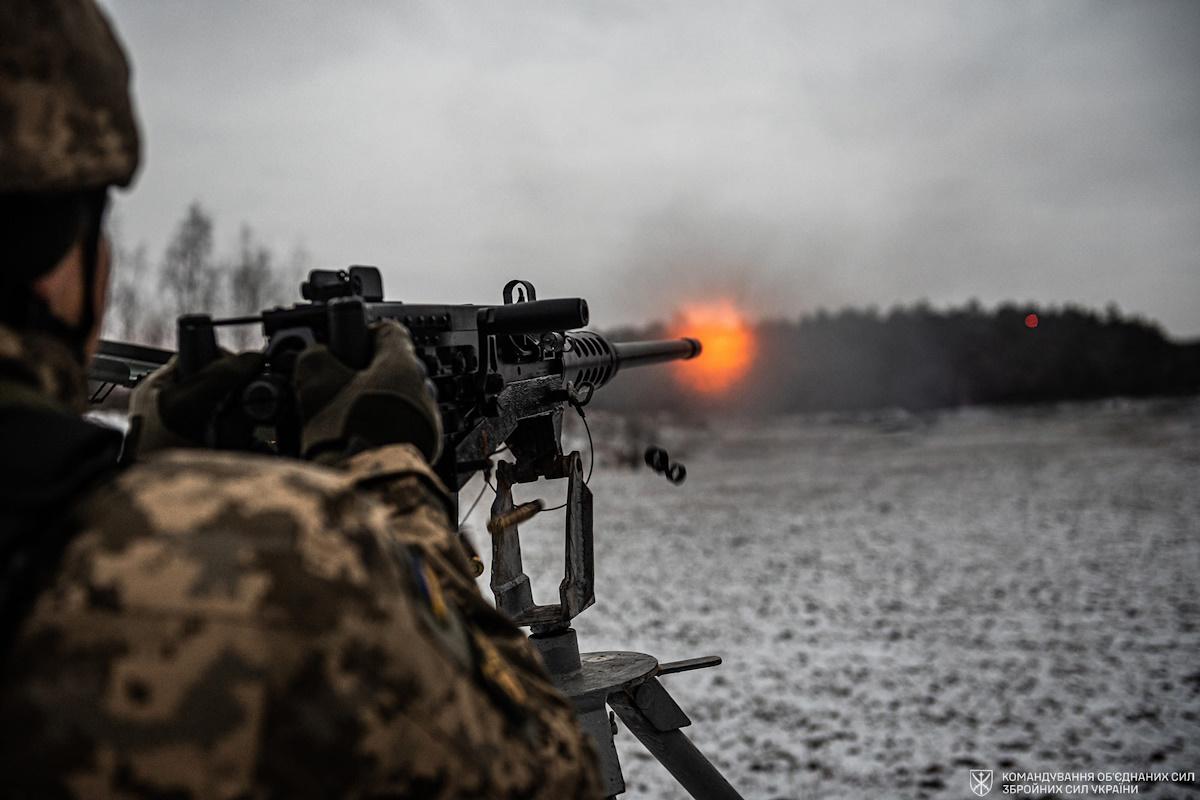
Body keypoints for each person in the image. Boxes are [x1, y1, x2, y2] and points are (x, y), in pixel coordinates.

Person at [0, 1, 602, 797]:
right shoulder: (293, 577)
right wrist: (389, 478)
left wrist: (145, 477)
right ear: (68, 250)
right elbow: (542, 772)